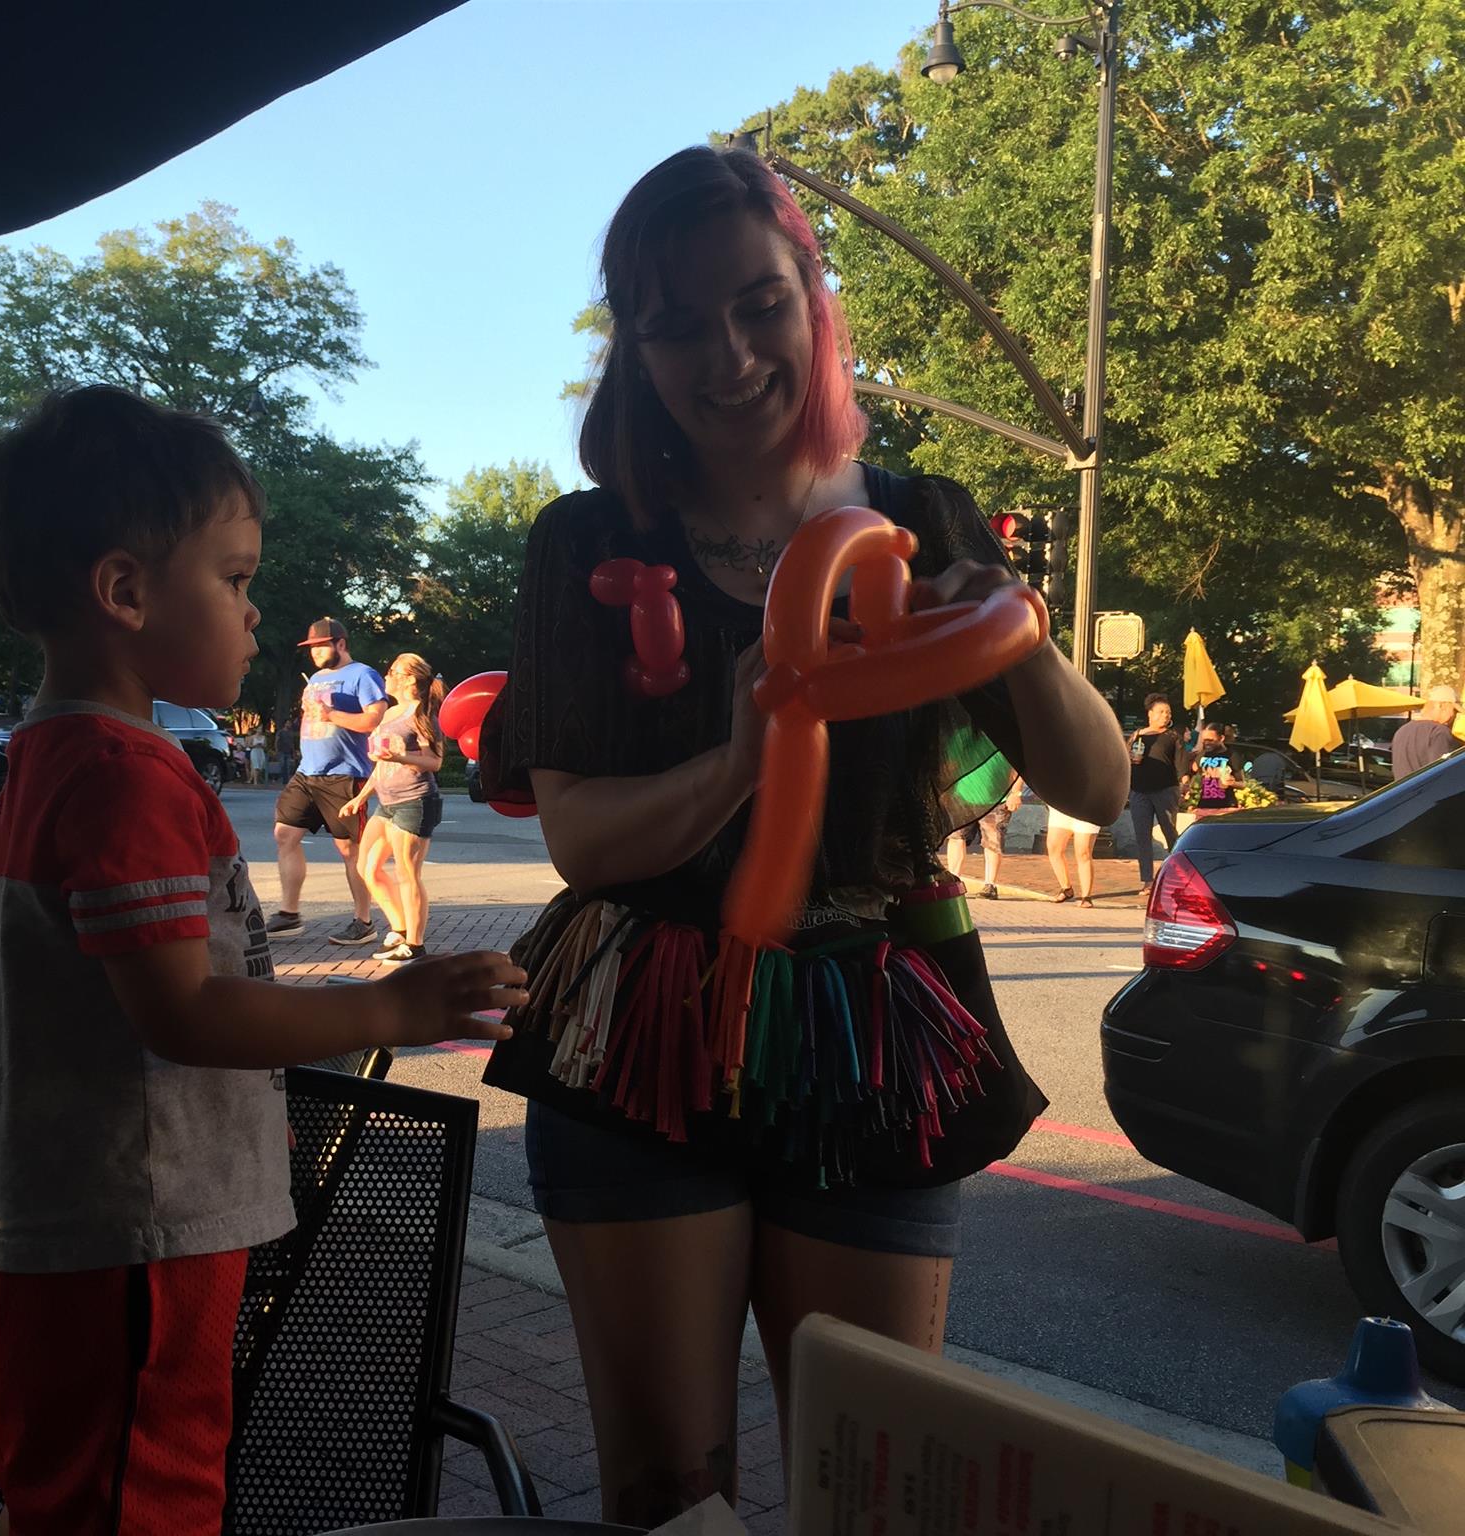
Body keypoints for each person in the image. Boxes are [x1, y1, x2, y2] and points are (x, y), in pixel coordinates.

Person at [472, 146, 1128, 1525]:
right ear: (634, 348)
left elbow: (1100, 788)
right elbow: (586, 842)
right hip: (645, 1024)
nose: (727, 354)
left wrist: (1011, 635)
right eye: (675, 322)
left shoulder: (922, 519)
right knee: (668, 1491)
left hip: (879, 1023)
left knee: (876, 1478)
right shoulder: (581, 541)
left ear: (814, 303)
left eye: (758, 304)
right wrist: (749, 745)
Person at [0, 385, 526, 1536]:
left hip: (95, 1214)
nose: (255, 615)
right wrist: (395, 1009)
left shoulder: (50, 756)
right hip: (138, 1219)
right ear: (123, 592)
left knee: (76, 1485)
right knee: (142, 1494)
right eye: (232, 580)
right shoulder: (125, 777)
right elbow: (186, 1016)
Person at [265, 619, 389, 945]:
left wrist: (331, 715)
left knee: (349, 850)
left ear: (341, 644)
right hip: (308, 772)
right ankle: (289, 914)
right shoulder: (316, 680)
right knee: (284, 835)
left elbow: (375, 718)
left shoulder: (363, 675)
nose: (315, 653)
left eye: (321, 646)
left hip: (346, 773)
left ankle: (363, 921)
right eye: (311, 648)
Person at [343, 653, 448, 963]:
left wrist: (402, 758)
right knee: (367, 868)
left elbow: (435, 762)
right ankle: (399, 929)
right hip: (386, 803)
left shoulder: (421, 715)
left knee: (407, 873)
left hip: (414, 801)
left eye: (392, 671)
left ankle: (415, 944)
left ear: (410, 680)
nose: (385, 675)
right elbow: (381, 765)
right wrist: (359, 798)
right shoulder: (390, 714)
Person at [1127, 694, 1186, 892]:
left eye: (1168, 712)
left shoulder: (1172, 736)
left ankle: (1178, 874)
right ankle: (1147, 880)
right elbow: (1126, 757)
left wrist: (1183, 783)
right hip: (1139, 790)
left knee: (1170, 832)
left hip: (1165, 790)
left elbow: (1180, 764)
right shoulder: (1138, 735)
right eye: (1161, 712)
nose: (1165, 715)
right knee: (1142, 836)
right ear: (1150, 714)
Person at [945, 772, 1023, 899]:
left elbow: (1018, 769)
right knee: (956, 837)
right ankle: (954, 879)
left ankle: (990, 885)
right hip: (962, 798)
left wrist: (1016, 793)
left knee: (993, 842)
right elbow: (951, 766)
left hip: (997, 800)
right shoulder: (964, 751)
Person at [1391, 685, 1459, 780]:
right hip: (1430, 793)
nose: (1454, 716)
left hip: (1404, 793)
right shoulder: (1439, 732)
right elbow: (1441, 773)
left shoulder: (1402, 730)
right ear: (1442, 706)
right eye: (1454, 711)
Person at [1045, 802, 1101, 908]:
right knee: (1054, 847)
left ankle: (1086, 896)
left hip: (1087, 807)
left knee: (1083, 852)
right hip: (1061, 806)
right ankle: (1066, 889)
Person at [1190, 722, 1237, 814]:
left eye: (1210, 740)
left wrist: (1232, 782)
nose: (1206, 743)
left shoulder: (1232, 755)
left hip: (1226, 806)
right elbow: (1196, 775)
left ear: (1221, 738)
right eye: (1204, 740)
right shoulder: (1202, 755)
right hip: (1204, 806)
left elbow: (1242, 783)